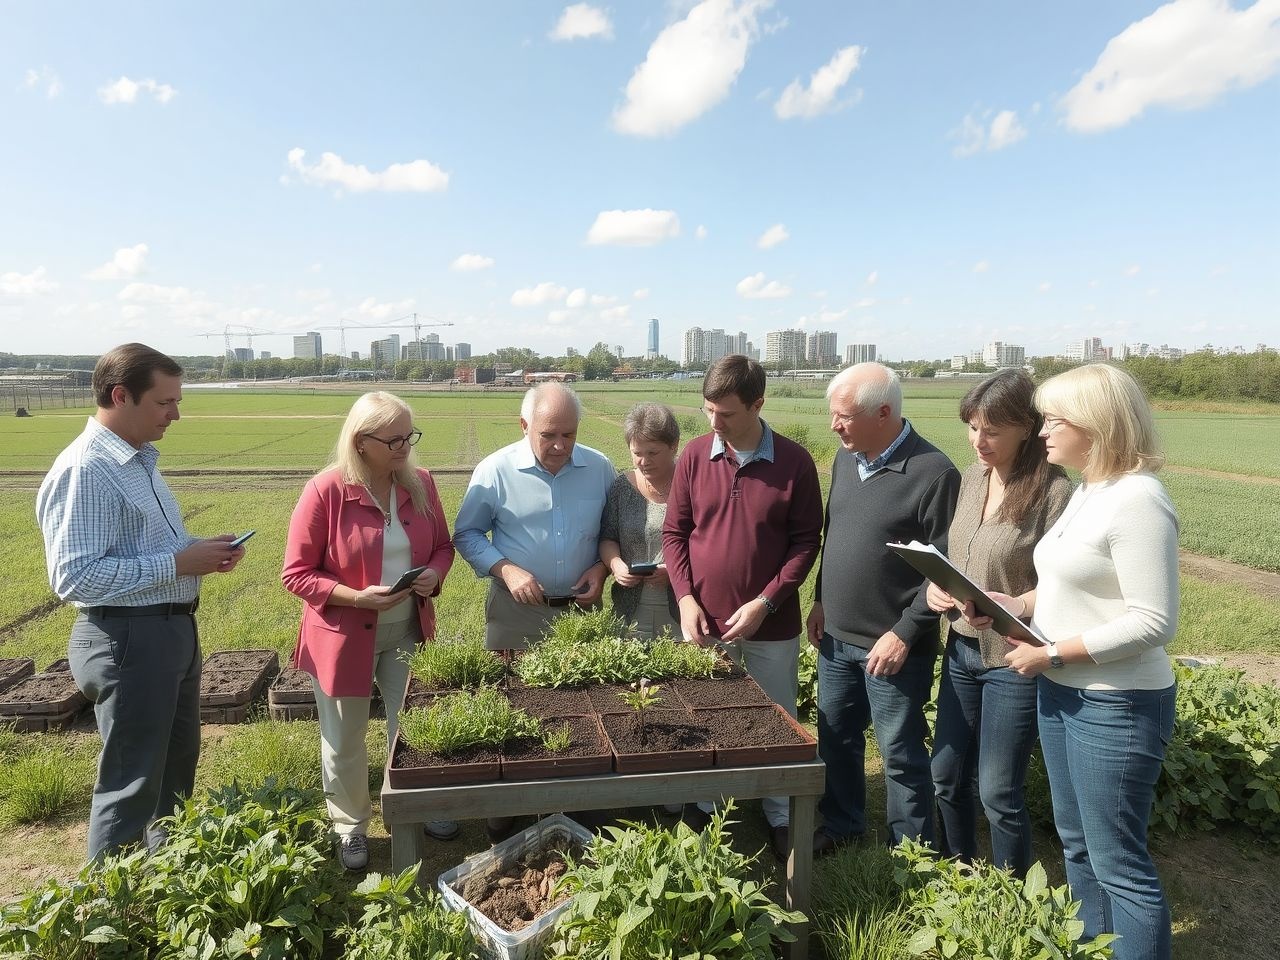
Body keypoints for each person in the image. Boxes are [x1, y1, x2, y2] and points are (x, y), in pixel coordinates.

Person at [964, 363, 1178, 960]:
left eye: (1055, 419)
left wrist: (1051, 651)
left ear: (1097, 424)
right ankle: (1093, 945)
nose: (1043, 431)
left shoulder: (1138, 499)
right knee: (1078, 840)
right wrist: (1011, 603)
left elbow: (1154, 621)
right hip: (1064, 692)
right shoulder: (1088, 490)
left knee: (1118, 861)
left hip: (1117, 702)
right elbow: (1063, 588)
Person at [35, 343, 246, 860]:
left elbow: (140, 548)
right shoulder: (88, 469)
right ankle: (110, 917)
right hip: (128, 639)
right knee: (131, 783)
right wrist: (178, 564)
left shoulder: (136, 462)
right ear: (120, 394)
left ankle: (164, 880)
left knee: (174, 769)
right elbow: (75, 578)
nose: (176, 414)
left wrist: (199, 552)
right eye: (165, 402)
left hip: (166, 632)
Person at [282, 392, 455, 870]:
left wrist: (433, 574)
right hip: (342, 639)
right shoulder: (326, 491)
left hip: (407, 631)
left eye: (409, 435)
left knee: (413, 729)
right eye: (394, 439)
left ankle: (416, 808)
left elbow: (442, 546)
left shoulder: (420, 484)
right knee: (344, 736)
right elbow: (296, 573)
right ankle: (350, 826)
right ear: (361, 442)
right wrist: (356, 597)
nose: (405, 446)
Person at [663, 355, 823, 861]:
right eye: (708, 409)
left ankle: (777, 811)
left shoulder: (794, 463)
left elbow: (804, 543)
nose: (714, 422)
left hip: (772, 623)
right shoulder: (693, 456)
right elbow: (675, 533)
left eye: (726, 413)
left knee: (776, 715)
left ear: (758, 404)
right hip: (704, 620)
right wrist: (686, 599)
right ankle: (707, 803)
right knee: (706, 712)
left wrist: (765, 601)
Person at [807, 362, 960, 855]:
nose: (835, 425)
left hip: (894, 646)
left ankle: (911, 854)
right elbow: (837, 536)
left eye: (845, 416)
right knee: (837, 740)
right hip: (835, 639)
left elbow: (944, 569)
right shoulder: (845, 459)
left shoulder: (934, 473)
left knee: (899, 753)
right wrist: (819, 601)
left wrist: (905, 632)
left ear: (884, 412)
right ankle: (842, 825)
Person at [454, 381, 616, 840]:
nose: (561, 445)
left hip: (580, 613)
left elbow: (613, 532)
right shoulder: (495, 471)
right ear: (525, 426)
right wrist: (505, 569)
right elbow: (467, 535)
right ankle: (505, 805)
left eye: (569, 434)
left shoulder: (600, 468)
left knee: (583, 707)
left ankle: (577, 803)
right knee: (511, 706)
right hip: (516, 612)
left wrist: (602, 569)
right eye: (549, 435)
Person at [925, 370, 1071, 877]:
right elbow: (956, 553)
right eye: (971, 428)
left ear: (1026, 428)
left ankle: (1011, 895)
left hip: (1013, 659)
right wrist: (937, 587)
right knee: (945, 774)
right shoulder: (971, 479)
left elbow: (1066, 585)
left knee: (998, 791)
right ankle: (960, 873)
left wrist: (1019, 602)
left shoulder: (1054, 492)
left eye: (991, 430)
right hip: (962, 648)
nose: (978, 441)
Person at [599, 402, 682, 641]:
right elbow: (608, 537)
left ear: (674, 446)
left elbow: (706, 544)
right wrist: (616, 565)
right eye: (637, 453)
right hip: (629, 609)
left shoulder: (690, 486)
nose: (644, 461)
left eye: (653, 453)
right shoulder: (623, 487)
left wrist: (675, 572)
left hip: (680, 607)